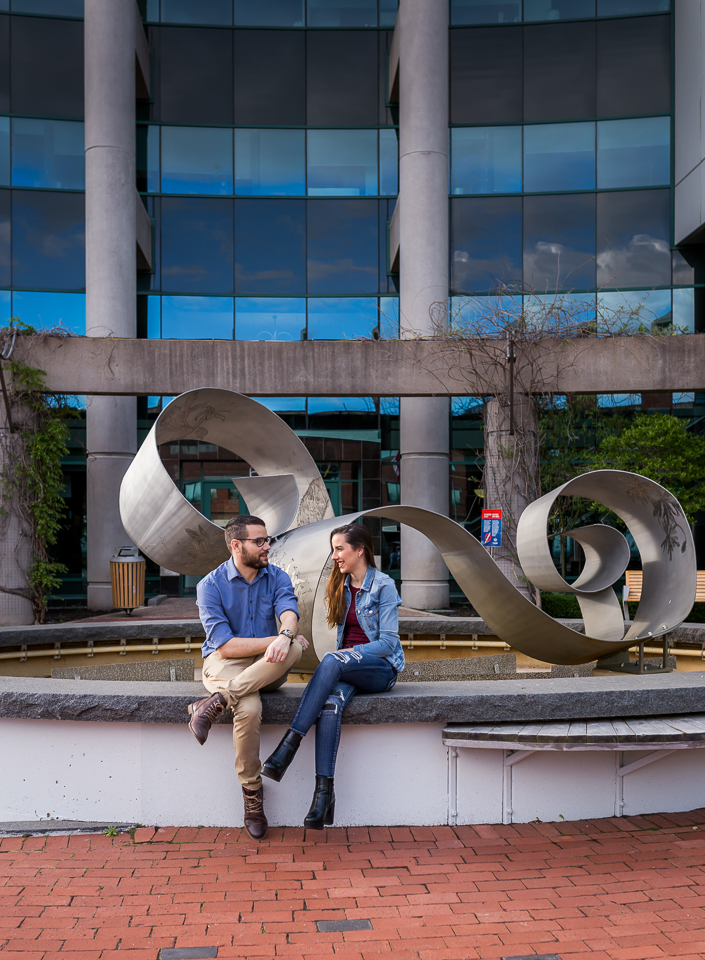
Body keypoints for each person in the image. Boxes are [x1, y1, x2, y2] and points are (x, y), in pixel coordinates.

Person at [261, 523, 403, 829]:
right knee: (330, 707)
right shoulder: (339, 584)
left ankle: (289, 745)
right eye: (333, 548)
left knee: (332, 659)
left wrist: (348, 656)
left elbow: (389, 643)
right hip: (348, 666)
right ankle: (323, 795)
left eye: (340, 548)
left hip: (380, 668)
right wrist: (343, 657)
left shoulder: (383, 586)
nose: (334, 555)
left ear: (360, 549)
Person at [187, 514, 308, 840]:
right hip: (224, 664)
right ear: (236, 545)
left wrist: (286, 635)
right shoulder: (210, 586)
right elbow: (225, 647)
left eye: (267, 539)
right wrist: (279, 638)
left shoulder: (277, 576)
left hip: (264, 664)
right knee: (250, 709)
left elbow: (289, 613)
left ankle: (216, 702)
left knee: (294, 648)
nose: (267, 546)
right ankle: (253, 797)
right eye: (260, 541)